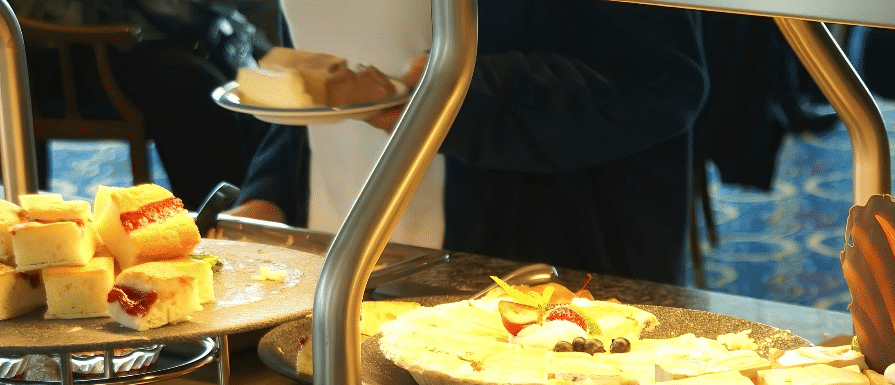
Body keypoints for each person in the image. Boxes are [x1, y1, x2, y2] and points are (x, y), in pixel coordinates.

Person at [229, 0, 707, 285]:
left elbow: (662, 85)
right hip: (338, 252)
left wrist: (452, 95)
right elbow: (332, 68)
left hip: (524, 262)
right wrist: (270, 194)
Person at [15, 0, 270, 206]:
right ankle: (214, 224)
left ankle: (263, 205)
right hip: (66, 49)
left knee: (267, 76)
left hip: (155, 31)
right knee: (193, 86)